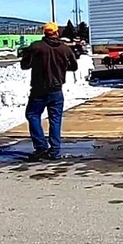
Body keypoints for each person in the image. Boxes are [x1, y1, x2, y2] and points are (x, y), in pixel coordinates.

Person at [20, 22, 78, 160]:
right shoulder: (65, 49)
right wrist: (62, 68)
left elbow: (24, 65)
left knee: (32, 115)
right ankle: (55, 149)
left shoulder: (36, 47)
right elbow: (74, 67)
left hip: (39, 90)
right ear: (57, 32)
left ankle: (40, 146)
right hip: (57, 90)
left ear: (44, 32)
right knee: (55, 119)